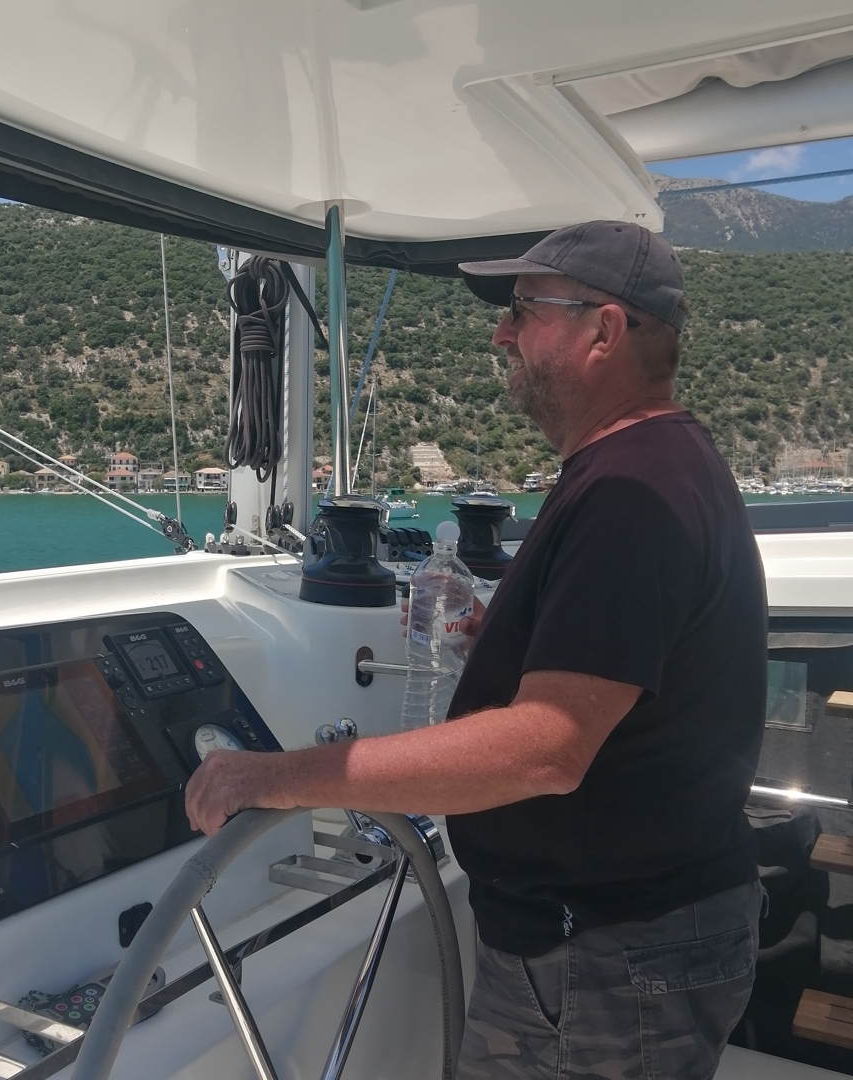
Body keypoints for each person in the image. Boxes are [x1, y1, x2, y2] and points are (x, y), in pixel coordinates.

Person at [185, 221, 767, 1079]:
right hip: (630, 935)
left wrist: (273, 777)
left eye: (526, 310)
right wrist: (512, 640)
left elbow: (548, 748)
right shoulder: (650, 465)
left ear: (603, 331)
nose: (502, 332)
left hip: (602, 955)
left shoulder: (631, 495)